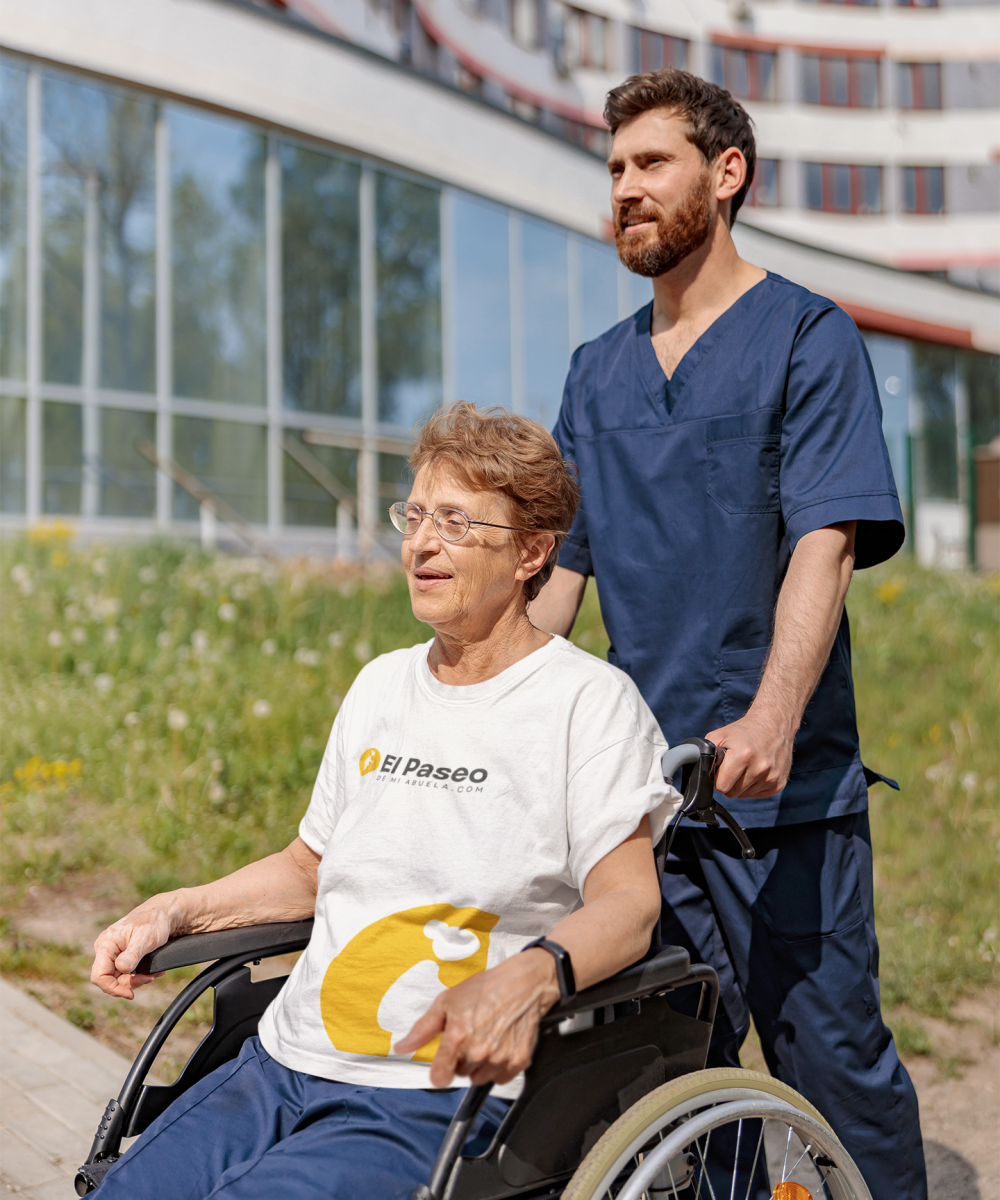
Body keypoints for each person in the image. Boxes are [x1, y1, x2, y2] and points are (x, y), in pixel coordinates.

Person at [89, 403, 675, 1199]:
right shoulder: (380, 686)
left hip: (431, 1097)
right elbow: (309, 868)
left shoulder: (587, 704)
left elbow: (630, 903)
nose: (422, 543)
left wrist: (532, 977)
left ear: (533, 552)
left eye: (459, 523)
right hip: (282, 1061)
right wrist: (178, 909)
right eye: (417, 515)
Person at [529, 69, 927, 1199]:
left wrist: (771, 717)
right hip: (642, 809)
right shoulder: (593, 374)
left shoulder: (806, 338)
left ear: (726, 173)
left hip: (776, 802)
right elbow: (562, 575)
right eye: (612, 170)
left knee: (835, 1074)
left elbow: (826, 542)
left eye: (650, 164)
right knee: (676, 1090)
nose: (623, 189)